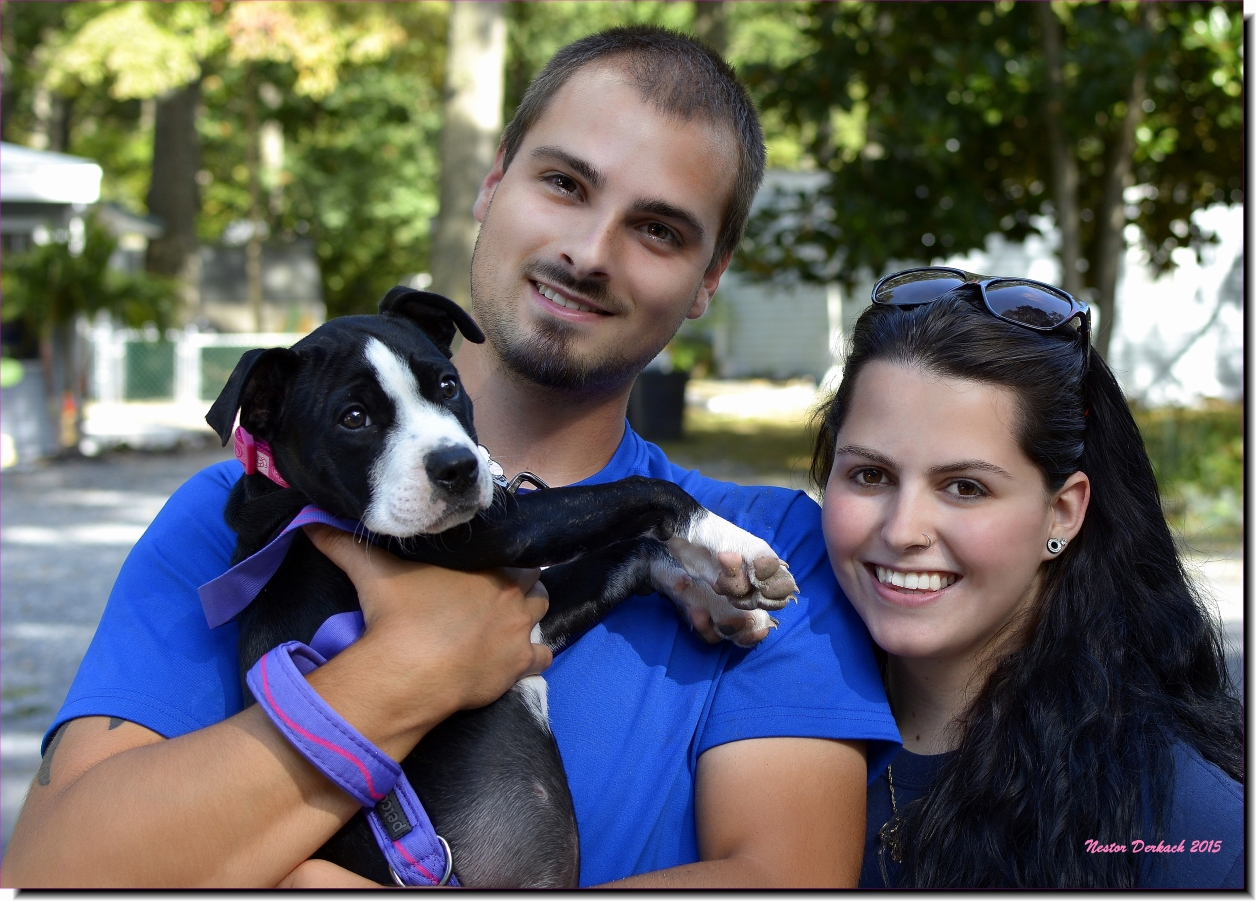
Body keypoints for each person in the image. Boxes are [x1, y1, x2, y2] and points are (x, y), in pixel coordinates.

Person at [2, 27, 899, 888]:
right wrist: (413, 668)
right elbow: (54, 877)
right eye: (564, 184)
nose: (589, 252)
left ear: (710, 277)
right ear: (492, 183)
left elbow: (787, 879)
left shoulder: (769, 548)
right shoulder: (240, 519)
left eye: (658, 230)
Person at [810, 268, 1243, 888]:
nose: (904, 530)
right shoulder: (765, 726)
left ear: (1062, 512)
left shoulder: (1186, 829)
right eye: (871, 475)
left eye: (965, 487)